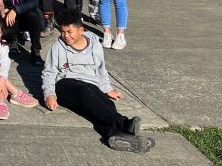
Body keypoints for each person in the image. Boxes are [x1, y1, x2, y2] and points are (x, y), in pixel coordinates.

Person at [43, 11, 155, 153]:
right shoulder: (58, 46)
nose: (65, 36)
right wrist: (49, 94)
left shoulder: (94, 43)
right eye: (63, 32)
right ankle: (124, 123)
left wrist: (106, 88)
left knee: (103, 105)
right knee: (86, 94)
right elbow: (49, 72)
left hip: (89, 85)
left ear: (81, 30)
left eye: (69, 32)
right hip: (65, 85)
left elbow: (101, 68)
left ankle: (115, 136)